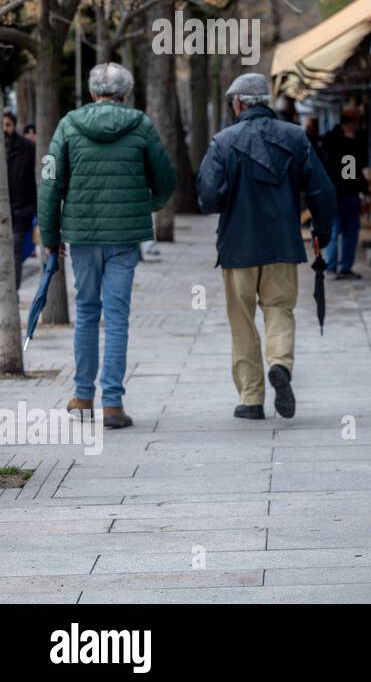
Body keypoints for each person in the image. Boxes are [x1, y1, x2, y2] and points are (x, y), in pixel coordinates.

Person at [38, 62, 177, 430]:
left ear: (91, 91)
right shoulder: (141, 124)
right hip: (123, 240)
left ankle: (83, 397)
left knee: (86, 313)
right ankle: (112, 403)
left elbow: (50, 184)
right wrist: (145, 205)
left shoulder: (69, 124)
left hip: (81, 238)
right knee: (116, 317)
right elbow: (166, 178)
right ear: (125, 94)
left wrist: (51, 238)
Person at [196, 73, 336, 420]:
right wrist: (322, 231)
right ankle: (280, 364)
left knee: (242, 320)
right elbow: (323, 190)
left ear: (240, 103)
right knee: (279, 309)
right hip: (282, 245)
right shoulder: (296, 137)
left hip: (237, 247)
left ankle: (251, 397)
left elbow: (208, 198)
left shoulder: (223, 142)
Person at [320, 107, 367, 280]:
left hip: (350, 193)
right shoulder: (332, 141)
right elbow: (341, 166)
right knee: (335, 230)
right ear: (349, 124)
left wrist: (362, 189)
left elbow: (357, 166)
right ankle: (331, 267)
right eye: (356, 124)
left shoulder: (355, 140)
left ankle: (345, 267)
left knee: (351, 232)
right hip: (337, 193)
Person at [4, 110, 36, 290]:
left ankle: (12, 290)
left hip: (21, 208)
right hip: (4, 209)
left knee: (16, 250)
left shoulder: (27, 147)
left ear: (14, 125)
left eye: (8, 124)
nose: (4, 128)